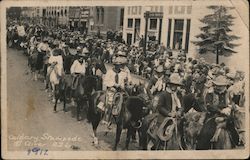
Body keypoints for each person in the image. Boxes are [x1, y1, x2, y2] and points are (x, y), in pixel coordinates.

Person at [102, 54, 131, 125]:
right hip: (111, 90)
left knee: (126, 100)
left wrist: (124, 85)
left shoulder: (122, 73)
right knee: (110, 102)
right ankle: (107, 117)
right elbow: (106, 81)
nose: (119, 67)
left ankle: (122, 117)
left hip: (120, 90)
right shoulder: (110, 72)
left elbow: (123, 82)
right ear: (114, 65)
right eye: (117, 65)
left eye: (120, 65)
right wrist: (114, 84)